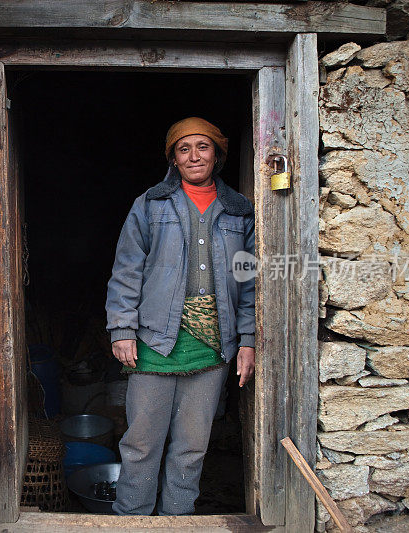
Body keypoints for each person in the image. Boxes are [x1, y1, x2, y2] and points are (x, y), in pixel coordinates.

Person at [105, 117, 255, 516]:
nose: (194, 156)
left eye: (202, 147)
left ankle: (177, 521)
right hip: (155, 338)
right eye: (184, 148)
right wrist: (122, 328)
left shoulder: (239, 210)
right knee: (141, 443)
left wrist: (248, 340)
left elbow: (250, 283)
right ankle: (131, 520)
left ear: (217, 154)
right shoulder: (151, 205)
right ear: (173, 158)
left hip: (214, 342)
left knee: (191, 446)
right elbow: (126, 269)